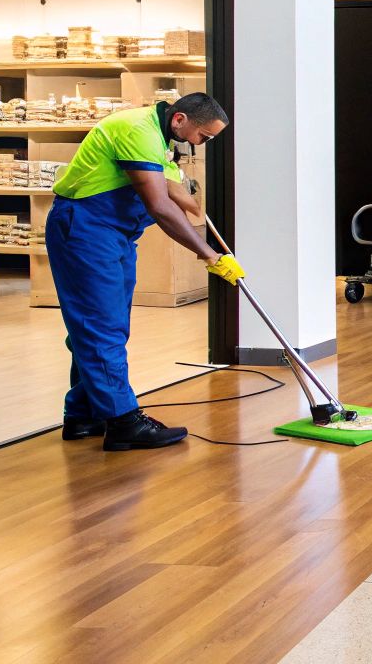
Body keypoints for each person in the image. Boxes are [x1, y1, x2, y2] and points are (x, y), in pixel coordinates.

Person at [46, 92, 245, 450]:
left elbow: (189, 206)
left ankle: (83, 414)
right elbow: (160, 207)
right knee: (100, 326)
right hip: (85, 230)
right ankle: (123, 422)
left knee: (105, 326)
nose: (204, 144)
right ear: (181, 119)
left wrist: (183, 186)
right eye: (205, 136)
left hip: (115, 237)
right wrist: (210, 256)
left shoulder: (161, 143)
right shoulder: (137, 130)